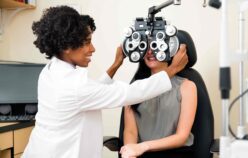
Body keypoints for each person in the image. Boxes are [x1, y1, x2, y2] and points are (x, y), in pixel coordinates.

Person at [22, 6, 188, 158]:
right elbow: (128, 93)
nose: (92, 49)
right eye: (87, 42)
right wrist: (172, 69)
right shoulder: (74, 87)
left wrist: (116, 65)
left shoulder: (51, 70)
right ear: (67, 46)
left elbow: (91, 93)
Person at [120, 48, 197, 158]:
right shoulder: (134, 89)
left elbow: (182, 136)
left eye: (156, 46)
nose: (150, 52)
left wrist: (143, 146)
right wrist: (129, 152)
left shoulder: (187, 87)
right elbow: (130, 131)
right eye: (146, 47)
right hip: (142, 153)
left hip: (176, 153)